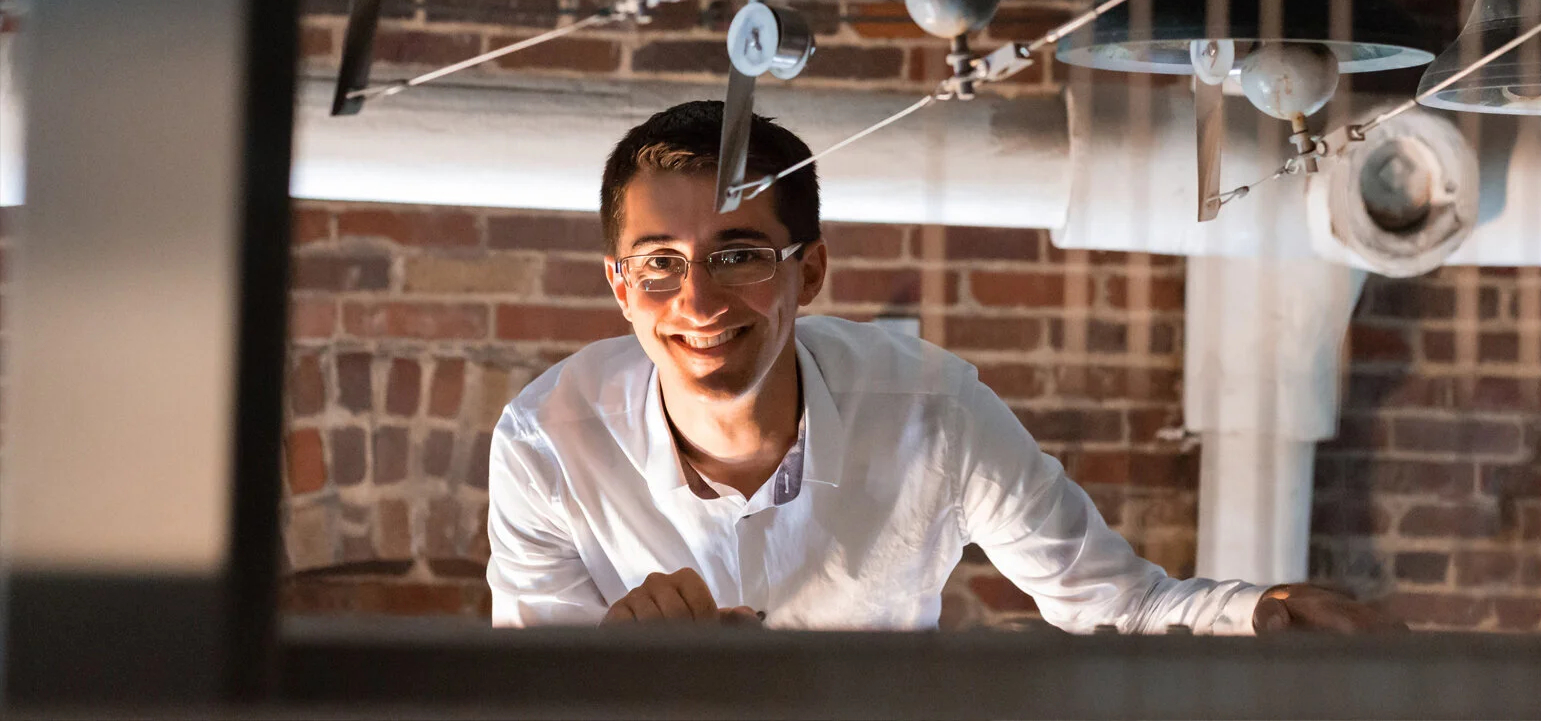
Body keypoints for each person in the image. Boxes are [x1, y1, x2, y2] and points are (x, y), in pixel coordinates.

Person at [486, 101, 1401, 635]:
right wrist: (624, 671)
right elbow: (533, 702)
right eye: (660, 263)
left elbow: (1119, 603)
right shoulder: (546, 443)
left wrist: (1256, 613)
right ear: (619, 284)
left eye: (738, 255)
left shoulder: (930, 410)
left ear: (810, 270)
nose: (696, 301)